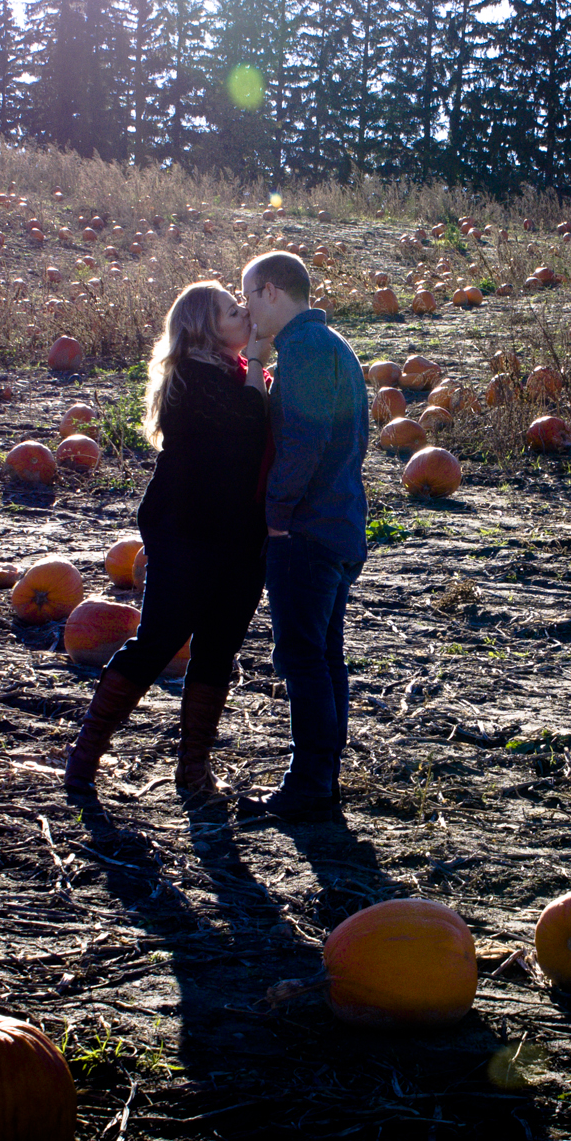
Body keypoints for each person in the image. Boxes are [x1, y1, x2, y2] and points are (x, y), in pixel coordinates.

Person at [64, 280, 271, 800]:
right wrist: (258, 364)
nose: (243, 311)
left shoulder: (237, 372)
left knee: (219, 649)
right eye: (231, 309)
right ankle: (85, 757)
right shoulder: (193, 378)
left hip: (240, 535)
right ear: (205, 328)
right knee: (158, 641)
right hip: (187, 533)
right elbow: (246, 426)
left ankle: (194, 771)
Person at [236, 250, 369, 824]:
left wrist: (276, 513)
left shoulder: (309, 350)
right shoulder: (329, 344)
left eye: (248, 298)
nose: (246, 311)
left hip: (307, 529)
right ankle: (320, 780)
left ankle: (310, 784)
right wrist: (255, 361)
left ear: (269, 291)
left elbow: (305, 441)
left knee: (301, 658)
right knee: (322, 656)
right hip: (337, 525)